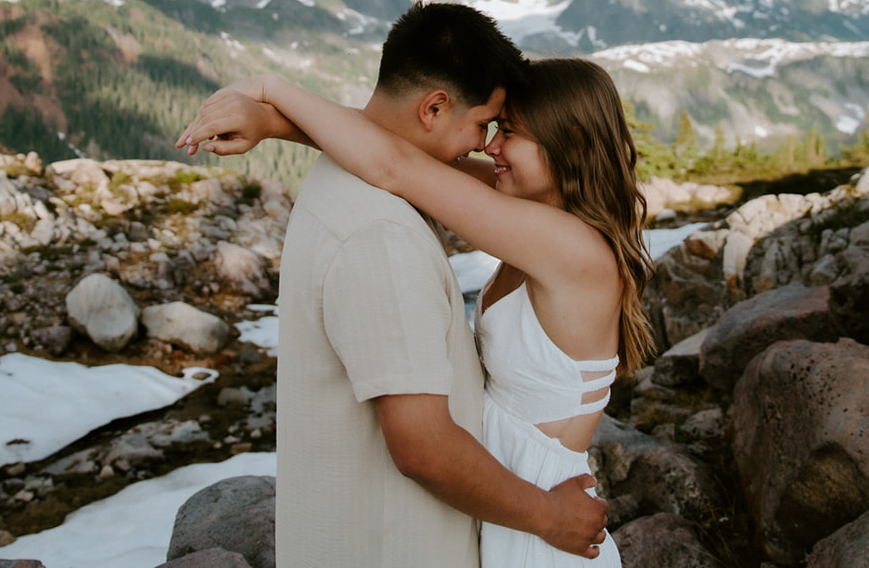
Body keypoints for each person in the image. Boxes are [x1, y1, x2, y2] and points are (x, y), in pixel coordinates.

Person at [181, 34, 653, 567]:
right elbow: (399, 152)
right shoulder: (537, 216)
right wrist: (272, 124)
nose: (490, 147)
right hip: (519, 504)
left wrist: (272, 89)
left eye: (511, 134)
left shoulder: (573, 249)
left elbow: (394, 168)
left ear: (570, 143)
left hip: (545, 522)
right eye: (492, 129)